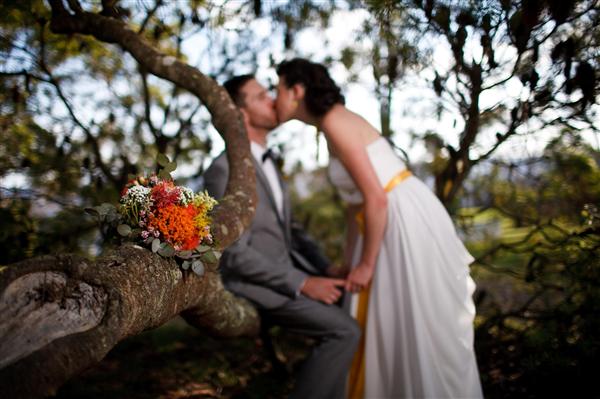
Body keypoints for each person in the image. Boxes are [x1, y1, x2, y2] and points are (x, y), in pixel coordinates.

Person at [274, 58, 483, 399]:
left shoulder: (334, 121)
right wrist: (351, 258)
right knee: (388, 323)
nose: (275, 97)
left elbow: (376, 199)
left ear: (297, 91)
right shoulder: (331, 125)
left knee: (411, 322)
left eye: (278, 88)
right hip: (388, 216)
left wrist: (367, 264)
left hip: (400, 219)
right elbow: (356, 204)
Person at [203, 74, 360, 399]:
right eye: (261, 96)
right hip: (256, 283)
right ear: (241, 114)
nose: (273, 100)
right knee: (344, 332)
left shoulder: (268, 162)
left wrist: (325, 269)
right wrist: (303, 283)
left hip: (289, 270)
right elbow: (233, 253)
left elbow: (292, 231)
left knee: (358, 304)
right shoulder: (223, 170)